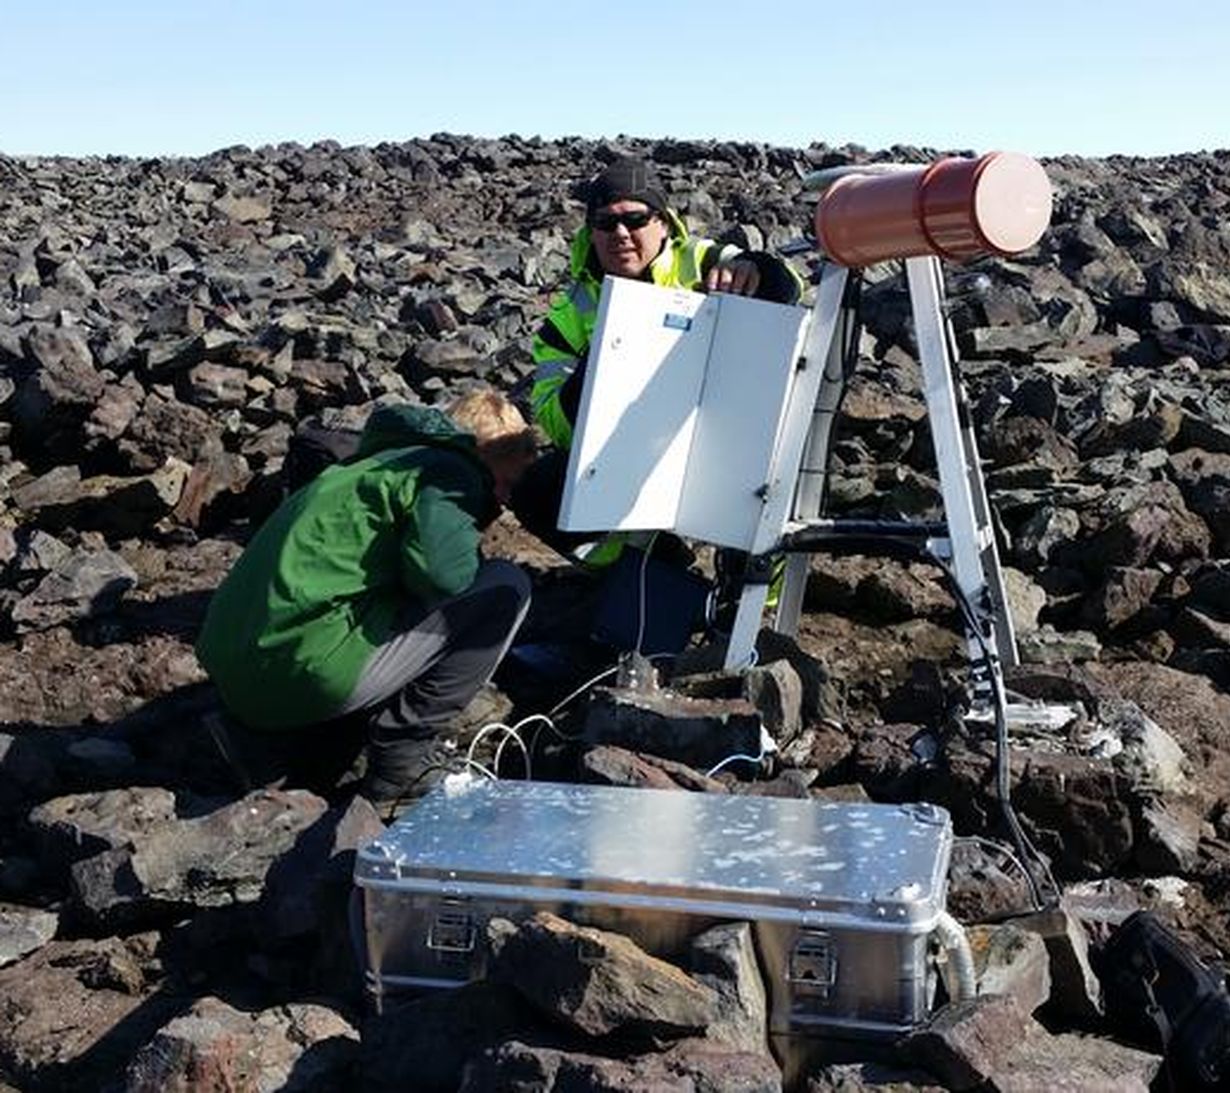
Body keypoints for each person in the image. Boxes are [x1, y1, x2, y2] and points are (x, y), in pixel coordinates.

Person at [196, 388, 538, 808]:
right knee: (505, 587)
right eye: (506, 483)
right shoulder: (452, 473)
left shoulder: (374, 464)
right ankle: (402, 759)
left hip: (236, 673)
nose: (504, 502)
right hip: (297, 675)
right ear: (483, 454)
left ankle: (275, 744)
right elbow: (444, 577)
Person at [513, 156, 802, 566]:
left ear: (662, 222)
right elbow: (554, 423)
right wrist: (601, 365)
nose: (620, 234)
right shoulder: (569, 315)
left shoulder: (703, 260)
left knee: (764, 491)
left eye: (635, 219)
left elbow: (791, 286)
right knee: (535, 493)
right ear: (590, 232)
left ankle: (748, 607)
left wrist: (760, 270)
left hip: (721, 432)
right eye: (605, 222)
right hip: (625, 446)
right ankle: (631, 569)